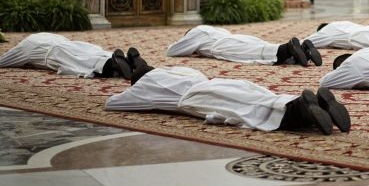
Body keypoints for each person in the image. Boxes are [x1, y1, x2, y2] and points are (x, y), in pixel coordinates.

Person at [105, 66, 350, 135]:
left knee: (246, 110)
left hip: (198, 98)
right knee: (258, 96)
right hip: (218, 82)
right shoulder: (178, 69)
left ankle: (301, 109)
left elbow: (113, 103)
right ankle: (311, 103)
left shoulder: (145, 86)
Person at [0, 33, 147, 80]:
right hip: (68, 42)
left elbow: (4, 61)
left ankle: (109, 64)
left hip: (52, 52)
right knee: (89, 51)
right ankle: (125, 60)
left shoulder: (24, 46)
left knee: (77, 61)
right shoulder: (43, 34)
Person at [166, 25, 322, 66]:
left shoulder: (196, 32)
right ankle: (301, 51)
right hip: (236, 38)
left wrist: (183, 40)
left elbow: (173, 51)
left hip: (222, 46)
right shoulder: (213, 29)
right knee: (261, 46)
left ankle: (288, 48)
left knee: (254, 54)